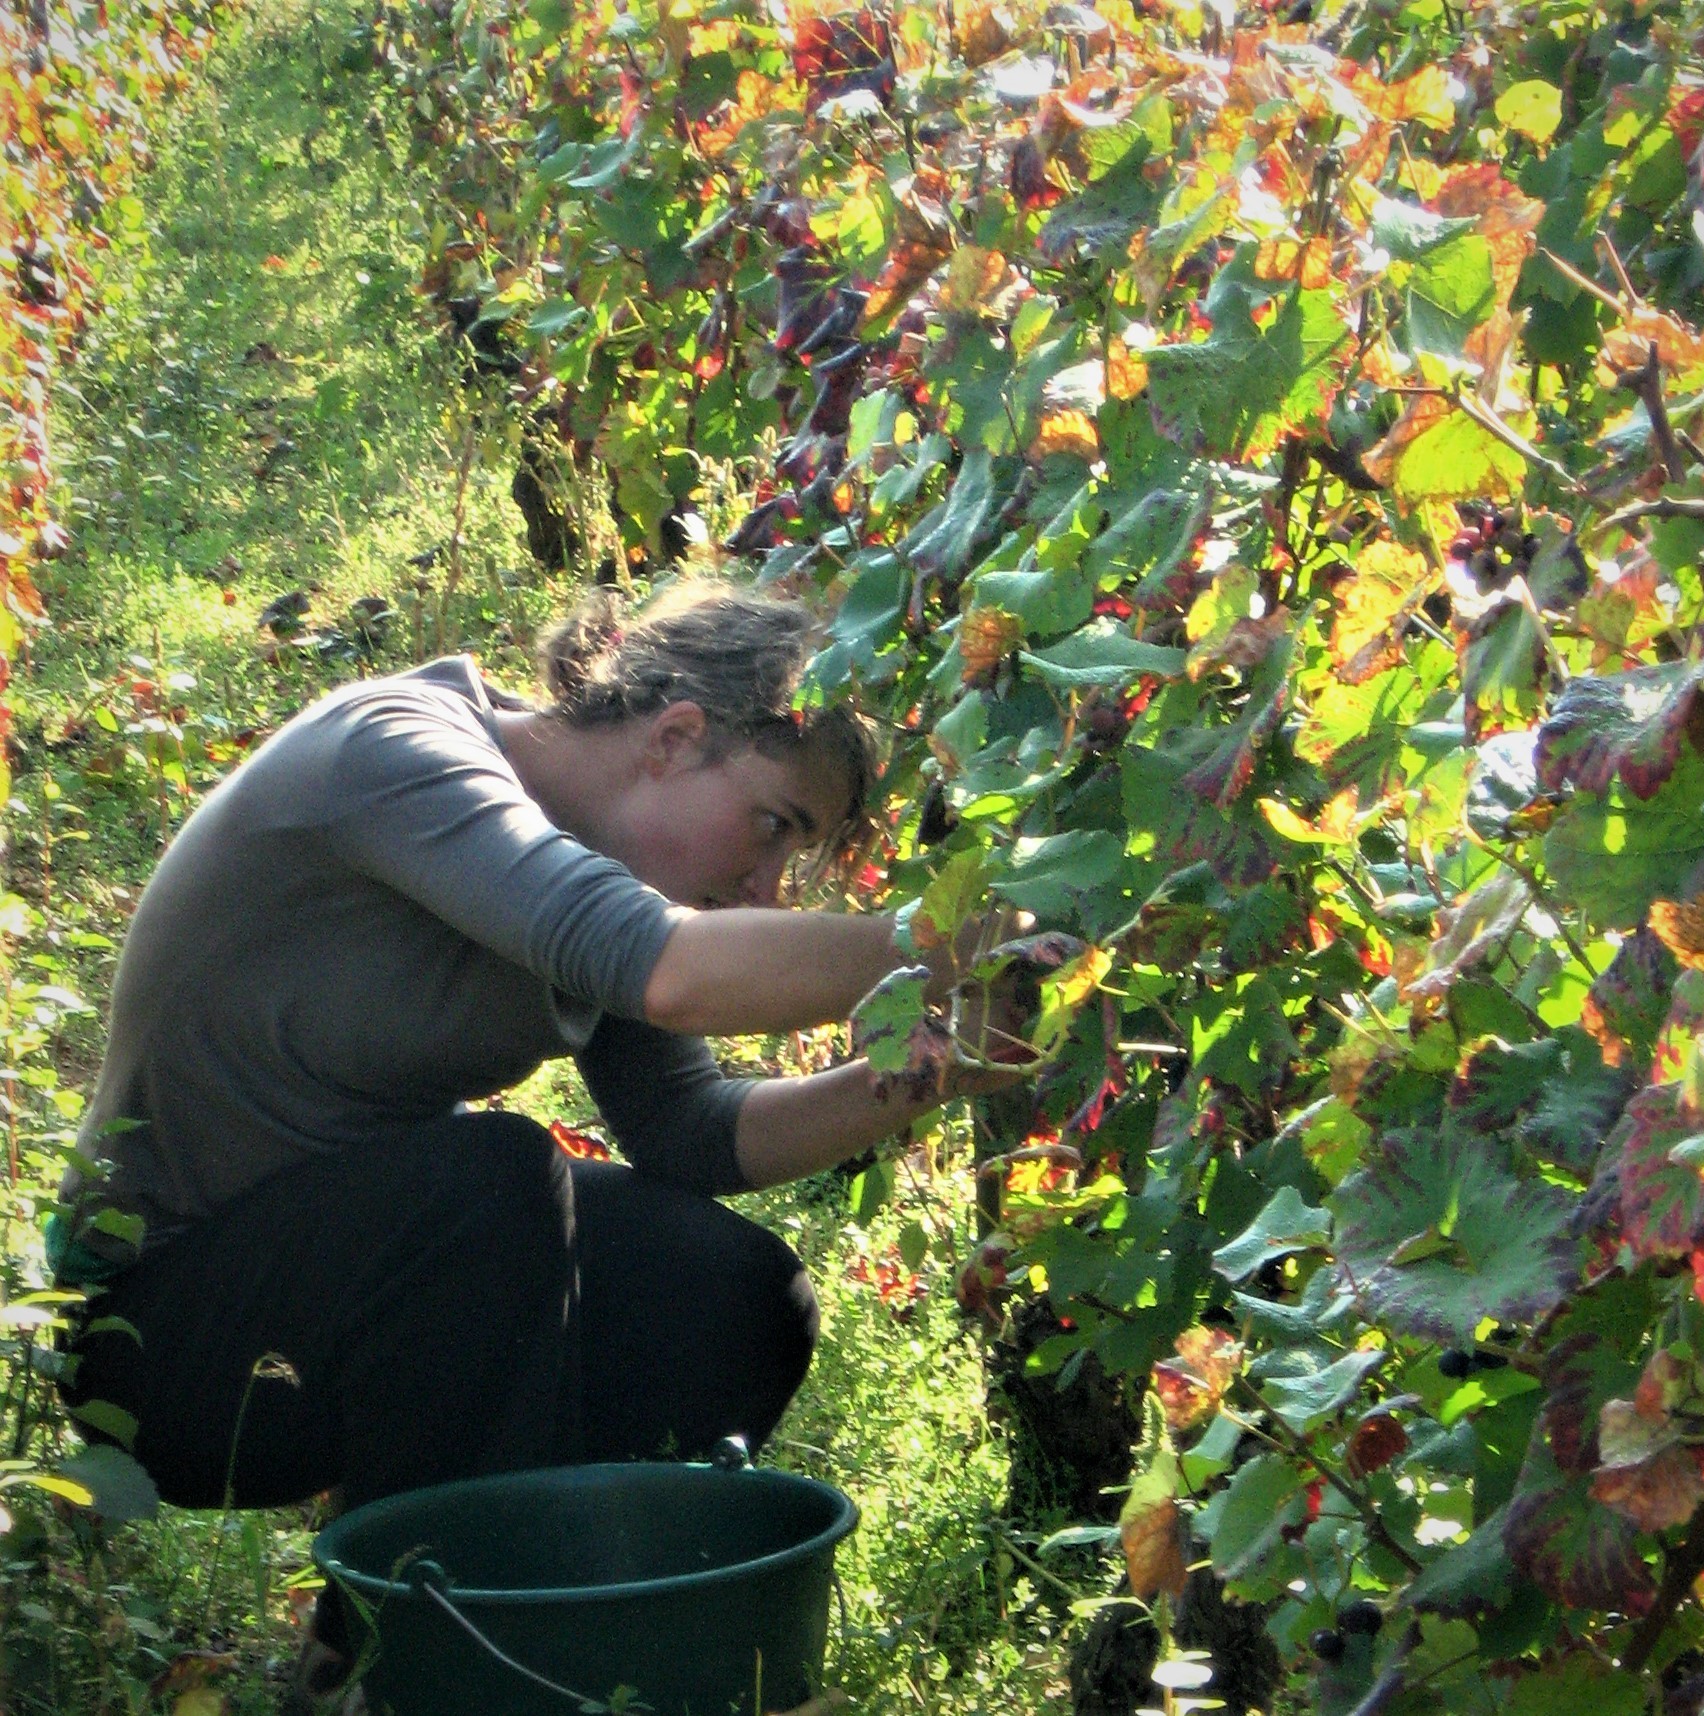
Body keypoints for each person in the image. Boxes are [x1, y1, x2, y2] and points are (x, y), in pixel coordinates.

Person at [50, 580, 1014, 1705]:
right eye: (774, 828)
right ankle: (440, 1667)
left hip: (348, 1307)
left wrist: (954, 1063)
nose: (768, 885)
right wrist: (972, 935)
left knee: (734, 1290)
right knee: (497, 1182)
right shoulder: (401, 755)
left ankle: (498, 1639)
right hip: (161, 1344)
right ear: (675, 735)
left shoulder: (603, 864)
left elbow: (690, 1134)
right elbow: (672, 970)